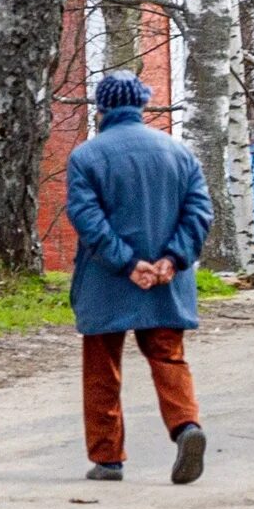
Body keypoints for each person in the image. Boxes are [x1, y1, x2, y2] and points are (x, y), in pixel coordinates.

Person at [63, 71, 214, 485]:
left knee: (102, 367)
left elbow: (87, 219)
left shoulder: (87, 157)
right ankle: (186, 427)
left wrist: (128, 263)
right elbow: (200, 212)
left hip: (106, 280)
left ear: (101, 108)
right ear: (142, 105)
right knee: (168, 356)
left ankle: (108, 459)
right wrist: (171, 259)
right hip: (167, 281)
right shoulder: (179, 154)